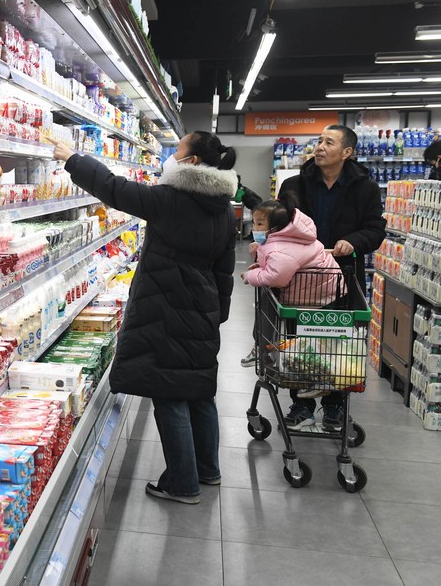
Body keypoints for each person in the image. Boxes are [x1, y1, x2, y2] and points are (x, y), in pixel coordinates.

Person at [48, 131, 237, 505]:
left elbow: (114, 189)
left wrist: (73, 159)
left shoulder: (170, 199)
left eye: (178, 150)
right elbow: (225, 270)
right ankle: (208, 469)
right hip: (202, 310)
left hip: (167, 307)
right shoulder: (224, 209)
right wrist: (216, 317)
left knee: (168, 391)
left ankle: (182, 482)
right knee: (199, 391)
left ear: (192, 161)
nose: (171, 155)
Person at [267, 124, 386, 431]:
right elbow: (278, 226)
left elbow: (375, 229)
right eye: (319, 141)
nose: (320, 147)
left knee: (338, 344)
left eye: (328, 142)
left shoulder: (365, 189)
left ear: (347, 152)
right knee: (298, 342)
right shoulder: (295, 184)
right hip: (300, 280)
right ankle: (301, 404)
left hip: (342, 279)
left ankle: (334, 406)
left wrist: (354, 242)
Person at [240, 197, 346, 406]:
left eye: (260, 224)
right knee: (311, 341)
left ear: (276, 227)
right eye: (254, 222)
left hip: (317, 295)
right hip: (318, 290)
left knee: (314, 342)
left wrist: (250, 277)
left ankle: (319, 380)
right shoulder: (288, 239)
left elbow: (277, 276)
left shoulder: (281, 247)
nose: (254, 228)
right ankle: (264, 347)